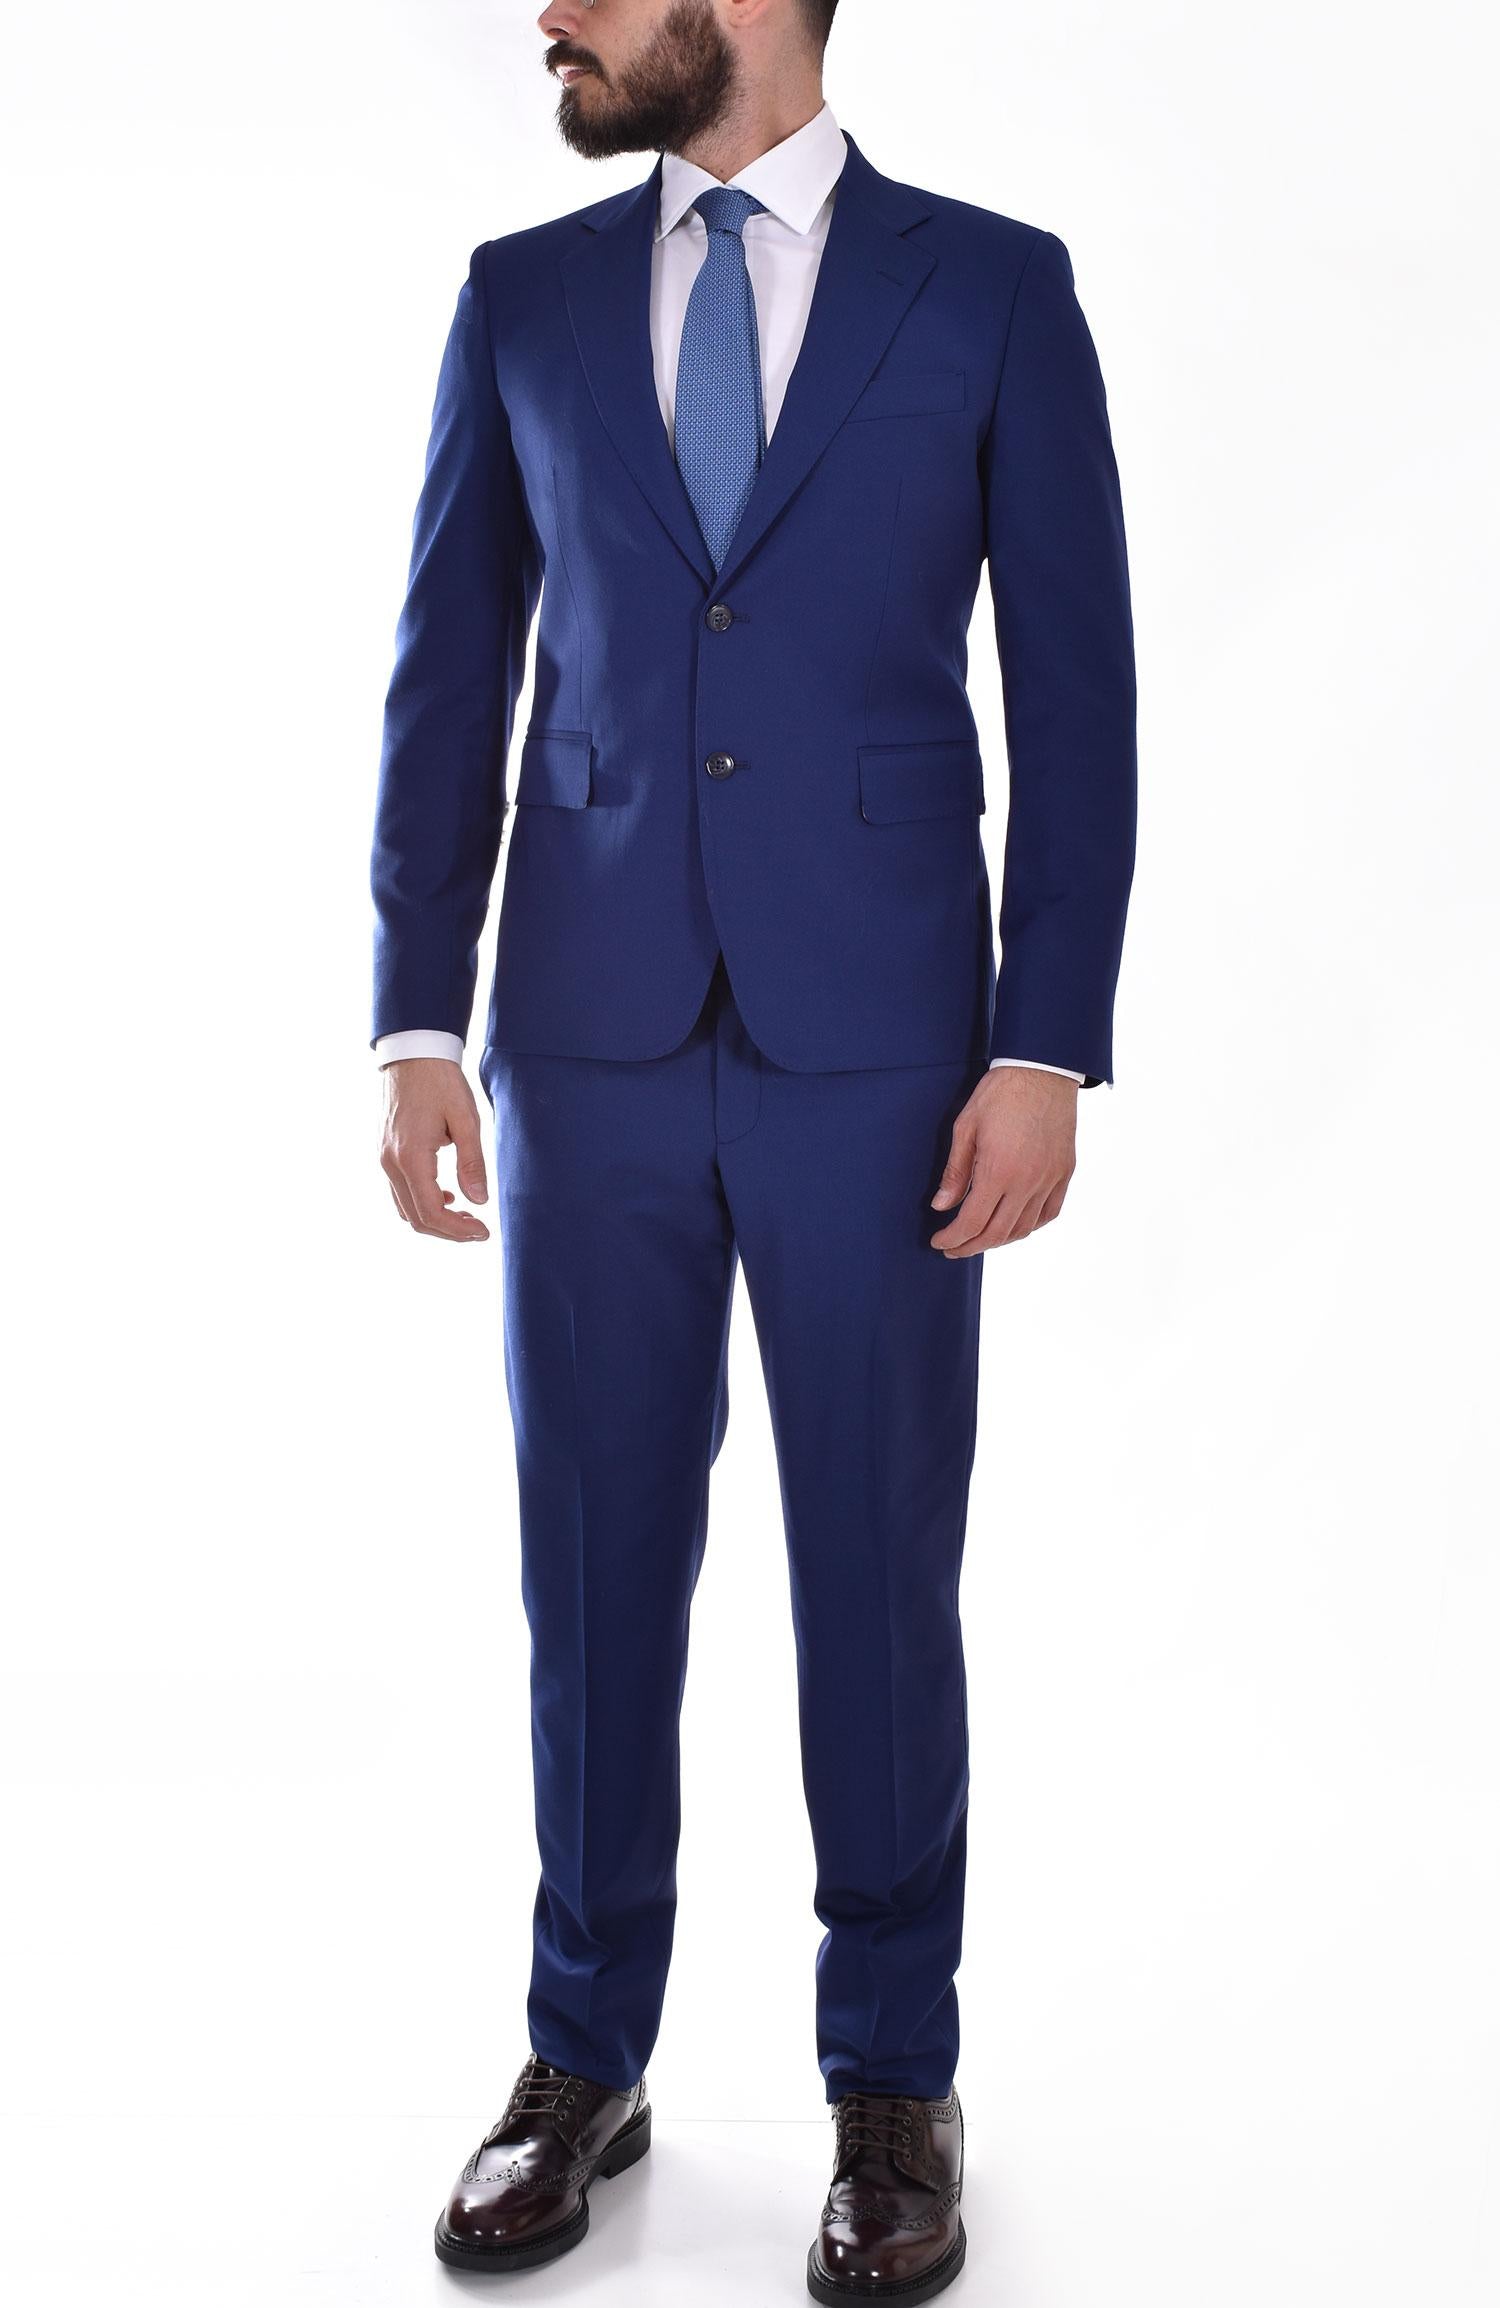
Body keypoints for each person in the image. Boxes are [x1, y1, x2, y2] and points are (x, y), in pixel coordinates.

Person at [369, 2, 1136, 2297]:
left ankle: (893, 2075)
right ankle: (579, 2050)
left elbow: (1078, 685)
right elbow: (449, 666)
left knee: (876, 1566)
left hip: (884, 1047)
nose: (549, 13)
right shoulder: (523, 298)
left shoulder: (990, 286)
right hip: (582, 1036)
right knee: (591, 1560)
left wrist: (1046, 1040)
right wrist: (417, 1011)